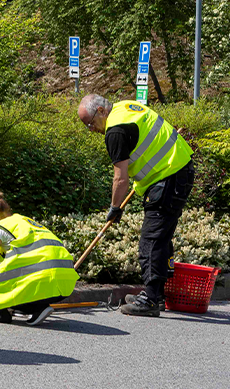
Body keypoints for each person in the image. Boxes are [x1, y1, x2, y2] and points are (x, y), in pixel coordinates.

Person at [77, 94, 195, 317]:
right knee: (161, 238)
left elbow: (120, 178)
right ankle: (157, 295)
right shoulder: (127, 108)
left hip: (167, 177)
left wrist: (115, 207)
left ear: (101, 111)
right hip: (177, 171)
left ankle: (150, 300)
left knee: (151, 240)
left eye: (90, 123)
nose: (91, 129)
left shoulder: (115, 130)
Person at [0, 189, 80, 325]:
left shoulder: (0, 228)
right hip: (65, 284)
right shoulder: (26, 221)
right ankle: (35, 307)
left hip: (43, 281)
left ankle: (14, 311)